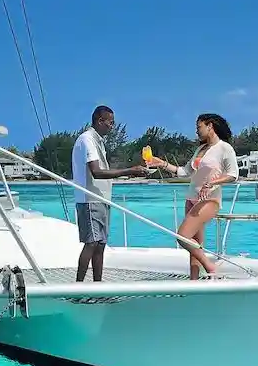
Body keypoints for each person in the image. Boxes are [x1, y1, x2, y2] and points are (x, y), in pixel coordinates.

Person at [146, 113, 239, 279]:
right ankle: (194, 281)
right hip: (191, 198)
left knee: (182, 236)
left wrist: (213, 183)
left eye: (199, 127)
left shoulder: (224, 148)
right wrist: (161, 163)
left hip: (209, 199)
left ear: (210, 126)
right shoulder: (200, 149)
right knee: (194, 246)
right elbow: (184, 172)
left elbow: (233, 175)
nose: (196, 131)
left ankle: (209, 266)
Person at [74, 105, 149, 282]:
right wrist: (130, 171)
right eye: (110, 123)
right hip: (89, 198)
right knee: (91, 242)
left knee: (100, 244)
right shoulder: (87, 140)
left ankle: (97, 285)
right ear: (100, 121)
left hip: (101, 198)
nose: (112, 127)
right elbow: (97, 172)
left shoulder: (97, 140)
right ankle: (78, 286)